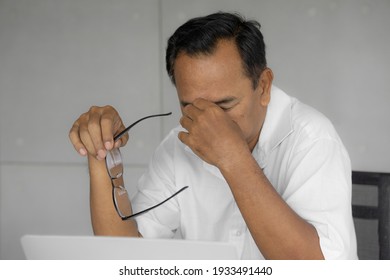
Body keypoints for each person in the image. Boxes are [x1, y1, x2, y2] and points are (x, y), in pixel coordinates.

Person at [69, 12, 357, 259]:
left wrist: (232, 157)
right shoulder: (178, 145)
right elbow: (124, 257)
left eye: (224, 105)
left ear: (264, 86)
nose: (209, 121)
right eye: (191, 107)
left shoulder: (312, 139)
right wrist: (100, 152)